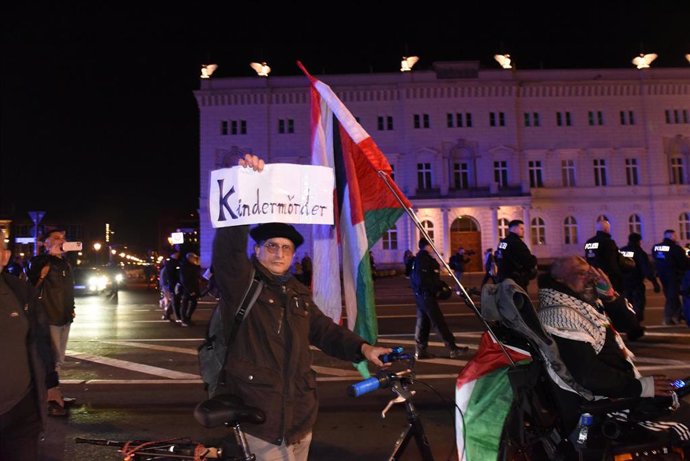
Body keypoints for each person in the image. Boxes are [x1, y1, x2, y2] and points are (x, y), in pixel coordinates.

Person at [211, 153, 392, 461]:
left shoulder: (296, 292)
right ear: (256, 250)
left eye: (286, 248)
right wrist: (244, 186)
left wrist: (364, 349)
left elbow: (323, 330)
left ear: (293, 255)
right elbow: (228, 250)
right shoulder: (242, 284)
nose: (279, 253)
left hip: (301, 416)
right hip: (260, 418)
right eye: (271, 246)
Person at [537, 256, 689, 443]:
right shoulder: (560, 314)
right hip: (608, 406)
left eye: (590, 271)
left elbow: (631, 324)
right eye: (581, 273)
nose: (590, 278)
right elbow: (588, 375)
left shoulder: (582, 301)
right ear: (559, 279)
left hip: (620, 392)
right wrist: (642, 387)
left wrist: (609, 294)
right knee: (684, 428)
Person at [1, 230, 64, 461]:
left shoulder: (20, 291)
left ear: (5, 257)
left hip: (21, 412)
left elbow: (39, 338)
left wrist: (51, 383)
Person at [26, 229, 75, 375]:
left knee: (59, 357)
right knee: (52, 357)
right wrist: (49, 255)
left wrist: (72, 308)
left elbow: (69, 288)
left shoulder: (66, 263)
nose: (61, 240)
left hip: (65, 316)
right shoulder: (40, 261)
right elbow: (33, 273)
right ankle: (49, 393)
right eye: (56, 238)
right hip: (49, 315)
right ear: (46, 243)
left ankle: (54, 392)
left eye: (63, 238)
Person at [410, 238, 468, 360]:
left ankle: (421, 350)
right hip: (426, 295)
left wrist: (442, 285)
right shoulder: (424, 260)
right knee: (438, 322)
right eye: (431, 244)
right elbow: (425, 280)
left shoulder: (418, 259)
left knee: (423, 323)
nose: (433, 246)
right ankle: (452, 348)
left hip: (421, 295)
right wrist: (437, 289)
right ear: (427, 246)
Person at [620, 232, 660, 322]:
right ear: (639, 241)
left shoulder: (621, 251)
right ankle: (635, 323)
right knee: (638, 304)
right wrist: (654, 282)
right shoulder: (639, 252)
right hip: (636, 283)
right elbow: (646, 269)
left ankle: (628, 322)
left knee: (626, 304)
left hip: (623, 283)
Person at [584, 218, 631, 294]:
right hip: (607, 277)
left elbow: (588, 258)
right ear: (606, 229)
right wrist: (619, 277)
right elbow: (612, 263)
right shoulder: (608, 242)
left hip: (593, 276)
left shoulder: (589, 242)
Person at [652, 229, 690, 325]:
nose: (676, 237)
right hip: (674, 275)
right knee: (672, 297)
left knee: (671, 295)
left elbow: (655, 260)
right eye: (675, 236)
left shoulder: (656, 247)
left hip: (662, 275)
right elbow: (684, 263)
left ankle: (677, 316)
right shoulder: (675, 248)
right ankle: (667, 318)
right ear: (671, 236)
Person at [495, 219, 538, 291]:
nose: (523, 231)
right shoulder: (517, 243)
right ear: (514, 228)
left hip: (503, 278)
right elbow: (527, 260)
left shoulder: (503, 242)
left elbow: (498, 258)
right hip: (516, 280)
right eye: (521, 228)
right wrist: (534, 259)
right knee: (520, 300)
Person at [179, 252, 201, 326]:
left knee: (193, 303)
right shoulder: (185, 266)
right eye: (193, 258)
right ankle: (184, 320)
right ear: (190, 258)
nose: (195, 259)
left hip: (193, 287)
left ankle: (187, 318)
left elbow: (196, 277)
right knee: (185, 303)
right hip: (187, 289)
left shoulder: (192, 266)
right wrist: (190, 290)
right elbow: (184, 280)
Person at [163, 247, 183, 323]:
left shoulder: (176, 262)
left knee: (175, 300)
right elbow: (171, 276)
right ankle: (178, 316)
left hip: (177, 284)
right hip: (174, 285)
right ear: (174, 254)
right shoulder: (171, 263)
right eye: (177, 253)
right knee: (176, 301)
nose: (178, 254)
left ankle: (167, 314)